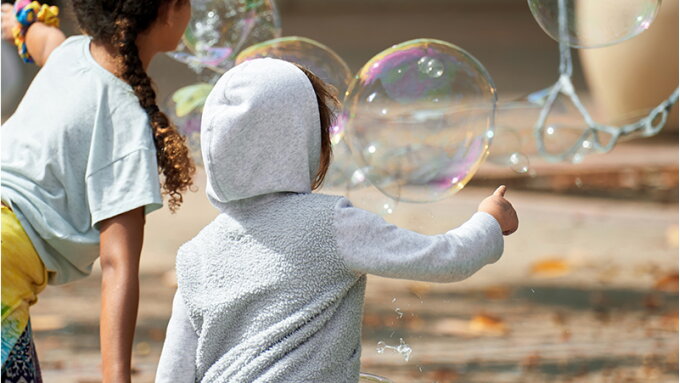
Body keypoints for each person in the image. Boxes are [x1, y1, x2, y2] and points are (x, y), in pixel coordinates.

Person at [155, 58, 519, 383]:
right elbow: (445, 259)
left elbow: (174, 370)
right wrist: (488, 220)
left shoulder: (195, 254)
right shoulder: (328, 225)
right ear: (304, 143)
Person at [1, 0, 195, 381]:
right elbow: (117, 265)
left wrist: (22, 21)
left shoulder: (71, 52)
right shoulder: (126, 123)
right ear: (169, 10)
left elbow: (44, 39)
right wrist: (116, 376)